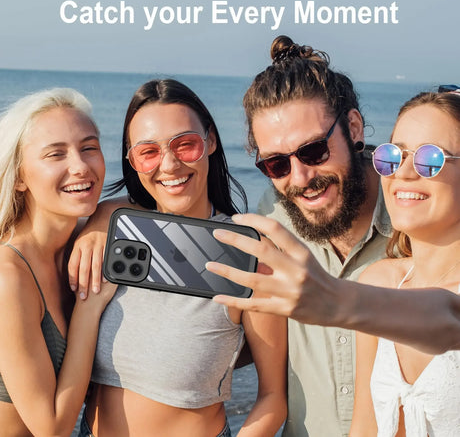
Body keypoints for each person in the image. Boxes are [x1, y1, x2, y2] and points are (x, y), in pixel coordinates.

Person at [205, 37, 460, 436]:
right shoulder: (273, 217)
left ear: (354, 128)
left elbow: (448, 316)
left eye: (313, 151)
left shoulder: (411, 215)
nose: (300, 178)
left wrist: (333, 301)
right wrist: (102, 221)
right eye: (275, 163)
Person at [70, 79, 287, 436]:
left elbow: (274, 397)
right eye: (148, 152)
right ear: (133, 161)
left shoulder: (248, 253)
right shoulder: (112, 232)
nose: (169, 165)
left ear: (211, 141)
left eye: (185, 145)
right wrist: (101, 217)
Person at [0, 88, 116, 436]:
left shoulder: (77, 240)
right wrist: (89, 308)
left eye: (89, 148)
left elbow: (141, 202)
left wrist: (99, 222)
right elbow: (51, 429)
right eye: (56, 154)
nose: (80, 166)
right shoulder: (9, 276)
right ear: (19, 177)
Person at [348, 91, 460, 435]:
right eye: (392, 156)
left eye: (431, 158)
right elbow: (365, 425)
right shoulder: (377, 283)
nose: (404, 173)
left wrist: (327, 301)